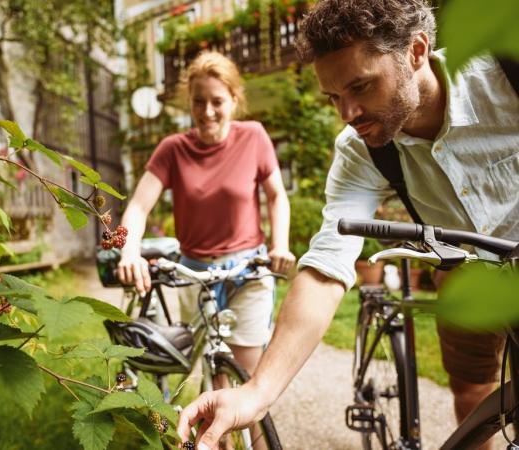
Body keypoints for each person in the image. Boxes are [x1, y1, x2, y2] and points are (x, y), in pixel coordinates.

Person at [177, 1, 519, 449]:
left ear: (416, 51)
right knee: (475, 393)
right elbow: (326, 264)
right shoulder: (362, 148)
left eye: (361, 86)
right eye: (334, 97)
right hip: (466, 275)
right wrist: (257, 393)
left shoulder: (505, 79)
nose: (347, 112)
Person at [117, 51, 296, 378]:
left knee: (249, 377)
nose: (208, 111)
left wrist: (279, 245)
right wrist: (130, 253)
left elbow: (276, 195)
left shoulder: (254, 136)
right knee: (215, 374)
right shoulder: (172, 149)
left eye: (217, 101)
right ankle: (219, 431)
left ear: (233, 98)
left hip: (246, 271)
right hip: (194, 274)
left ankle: (255, 433)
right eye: (199, 102)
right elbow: (139, 206)